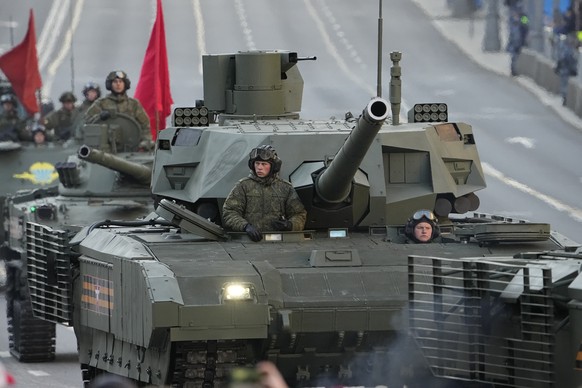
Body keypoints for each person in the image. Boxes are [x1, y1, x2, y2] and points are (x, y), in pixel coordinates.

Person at [222, 145, 307, 242]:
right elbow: (229, 212)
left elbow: (299, 214)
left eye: (264, 164)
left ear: (273, 167)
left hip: (280, 242)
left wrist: (290, 225)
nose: (259, 168)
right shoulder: (243, 186)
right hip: (249, 241)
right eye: (257, 163)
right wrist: (245, 226)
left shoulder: (285, 188)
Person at [85, 70, 151, 146]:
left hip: (131, 145)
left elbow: (145, 125)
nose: (118, 84)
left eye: (121, 81)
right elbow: (87, 121)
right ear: (110, 84)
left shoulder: (134, 104)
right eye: (115, 82)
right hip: (105, 146)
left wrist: (146, 140)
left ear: (125, 84)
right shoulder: (101, 103)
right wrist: (99, 116)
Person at [555, 33, 579, 106]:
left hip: (568, 69)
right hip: (566, 69)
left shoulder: (572, 49)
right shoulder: (567, 48)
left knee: (565, 84)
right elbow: (564, 58)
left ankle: (565, 97)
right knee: (564, 84)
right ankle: (564, 97)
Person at [506, 7, 529, 76]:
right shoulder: (512, 19)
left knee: (516, 55)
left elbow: (526, 26)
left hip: (520, 39)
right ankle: (513, 70)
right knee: (514, 56)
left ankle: (515, 70)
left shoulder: (523, 17)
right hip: (515, 40)